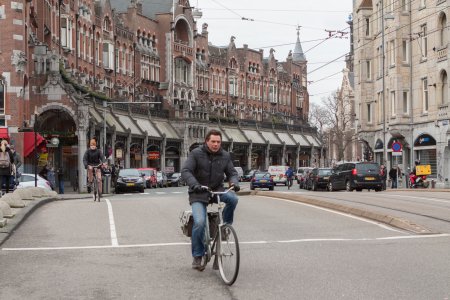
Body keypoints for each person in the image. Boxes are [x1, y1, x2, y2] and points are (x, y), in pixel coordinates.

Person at [181, 129, 240, 271]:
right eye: (213, 141)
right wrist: (194, 184)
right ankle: (198, 255)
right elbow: (186, 171)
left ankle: (225, 226)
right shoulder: (196, 154)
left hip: (216, 190)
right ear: (207, 141)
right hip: (198, 192)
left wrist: (234, 182)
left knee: (233, 199)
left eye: (218, 142)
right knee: (200, 223)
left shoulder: (225, 156)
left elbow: (232, 173)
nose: (216, 144)